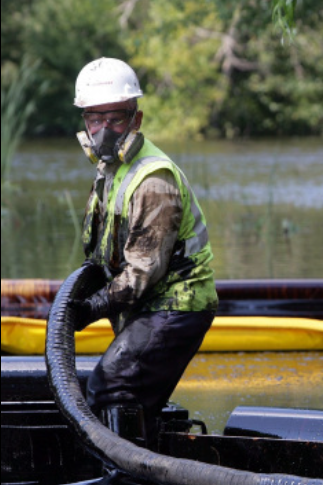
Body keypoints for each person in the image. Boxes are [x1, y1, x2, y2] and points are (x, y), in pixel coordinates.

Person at [71, 57, 218, 450]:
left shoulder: (154, 179)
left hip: (175, 307)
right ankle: (148, 461)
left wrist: (89, 309)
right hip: (149, 308)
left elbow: (141, 273)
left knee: (112, 387)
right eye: (94, 119)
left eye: (115, 119)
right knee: (125, 393)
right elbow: (102, 254)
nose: (103, 130)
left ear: (135, 119)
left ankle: (125, 480)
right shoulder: (110, 172)